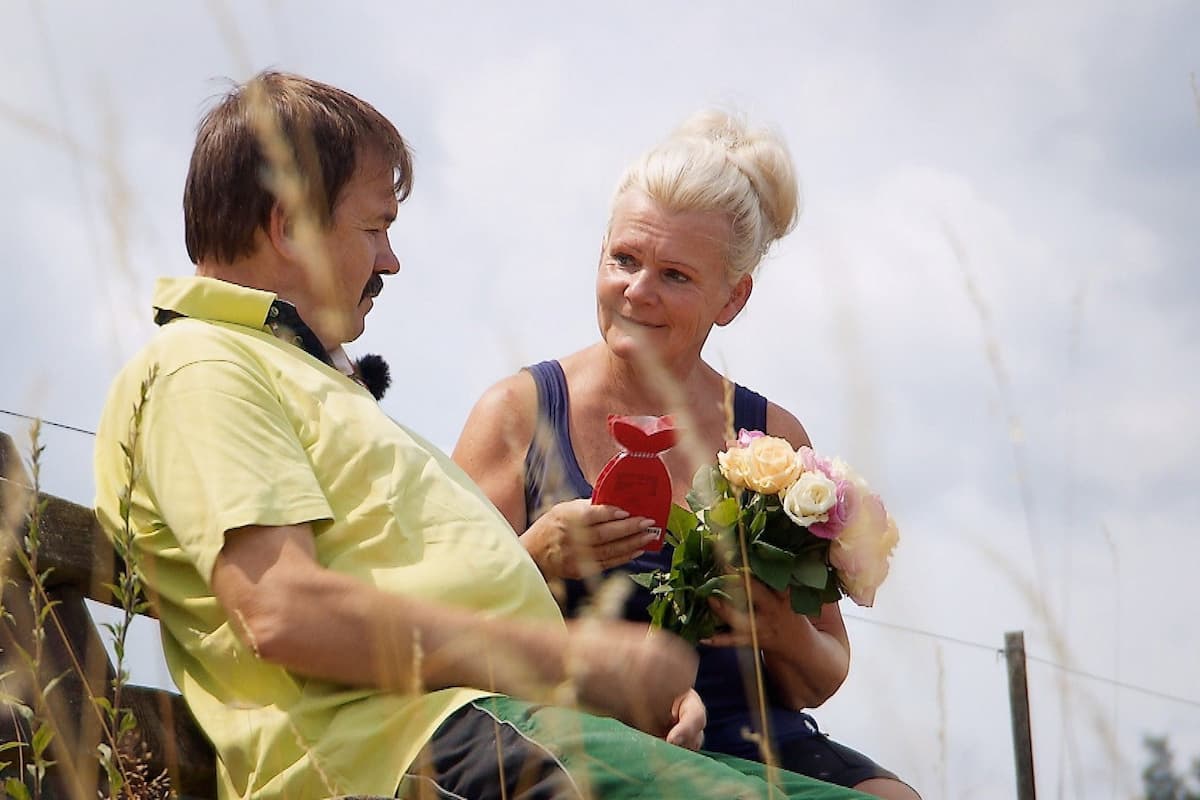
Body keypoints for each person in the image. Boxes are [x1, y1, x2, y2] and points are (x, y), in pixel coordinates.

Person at [92, 72, 873, 800]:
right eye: (375, 227)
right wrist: (579, 665)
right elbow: (282, 612)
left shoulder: (306, 380)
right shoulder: (204, 364)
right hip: (411, 745)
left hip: (504, 727)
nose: (390, 260)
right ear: (288, 226)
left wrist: (632, 706)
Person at [453, 111, 920, 800]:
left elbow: (822, 673)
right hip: (576, 731)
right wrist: (535, 553)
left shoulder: (773, 436)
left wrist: (781, 629)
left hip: (756, 738)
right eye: (624, 260)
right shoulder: (517, 413)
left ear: (732, 298)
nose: (637, 290)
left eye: (674, 275)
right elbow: (436, 624)